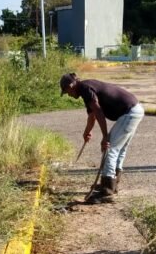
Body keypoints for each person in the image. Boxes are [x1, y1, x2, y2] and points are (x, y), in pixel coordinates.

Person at [60, 72, 144, 202]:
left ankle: (107, 190)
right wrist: (87, 132)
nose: (69, 95)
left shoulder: (85, 89)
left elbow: (98, 111)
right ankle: (112, 183)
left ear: (71, 85)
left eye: (67, 91)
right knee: (120, 148)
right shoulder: (85, 88)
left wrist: (105, 136)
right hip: (134, 110)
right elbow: (92, 115)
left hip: (129, 112)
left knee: (110, 147)